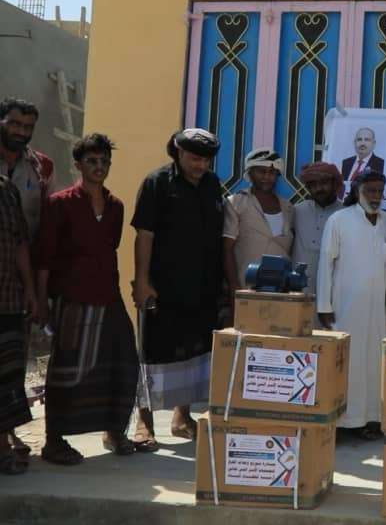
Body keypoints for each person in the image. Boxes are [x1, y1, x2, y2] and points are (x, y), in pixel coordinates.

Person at [36, 134, 139, 465]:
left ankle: (115, 430)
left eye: (104, 161)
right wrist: (41, 301)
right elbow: (45, 258)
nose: (99, 167)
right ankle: (54, 441)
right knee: (67, 369)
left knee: (123, 362)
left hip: (109, 296)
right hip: (72, 299)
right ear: (78, 165)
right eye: (92, 161)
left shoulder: (115, 206)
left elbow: (109, 249)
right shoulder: (60, 204)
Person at [131, 128, 226, 448]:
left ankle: (181, 417)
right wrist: (142, 281)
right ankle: (144, 422)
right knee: (152, 351)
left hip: (202, 286)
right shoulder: (157, 182)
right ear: (178, 152)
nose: (201, 165)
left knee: (193, 352)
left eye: (206, 160)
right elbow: (144, 235)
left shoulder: (212, 184)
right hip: (162, 286)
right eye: (195, 158)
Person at [317, 170, 386, 439]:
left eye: (380, 191)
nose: (376, 196)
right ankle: (345, 421)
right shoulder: (339, 220)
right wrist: (324, 306)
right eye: (370, 190)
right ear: (357, 190)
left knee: (375, 363)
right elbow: (326, 263)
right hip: (346, 307)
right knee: (350, 363)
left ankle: (373, 419)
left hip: (379, 310)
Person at [0, 173, 37, 475]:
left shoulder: (6, 190)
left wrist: (30, 289)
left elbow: (20, 243)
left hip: (7, 298)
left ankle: (2, 448)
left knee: (6, 377)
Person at [223, 149, 293, 297]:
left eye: (272, 172)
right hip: (246, 287)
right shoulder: (236, 203)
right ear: (250, 173)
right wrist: (233, 285)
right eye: (261, 171)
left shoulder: (288, 208)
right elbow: (226, 249)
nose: (267, 177)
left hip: (281, 289)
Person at [0, 98, 56, 242]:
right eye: (15, 124)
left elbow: (48, 219)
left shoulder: (43, 167)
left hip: (26, 252)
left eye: (28, 127)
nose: (22, 132)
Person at [291, 162, 344, 298]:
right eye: (313, 185)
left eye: (324, 183)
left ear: (335, 184)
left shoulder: (347, 214)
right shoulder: (297, 211)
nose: (318, 188)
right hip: (300, 290)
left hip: (335, 292)